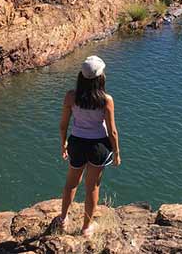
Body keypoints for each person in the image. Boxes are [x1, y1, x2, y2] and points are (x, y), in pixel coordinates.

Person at [55, 56, 120, 237]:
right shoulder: (106, 100)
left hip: (77, 143)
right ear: (100, 78)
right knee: (92, 187)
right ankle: (86, 228)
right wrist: (116, 152)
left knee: (71, 184)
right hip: (98, 146)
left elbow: (63, 125)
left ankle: (63, 219)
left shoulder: (71, 96)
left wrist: (63, 144)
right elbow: (112, 132)